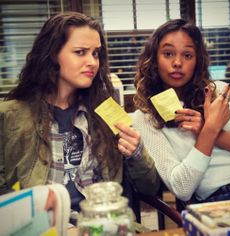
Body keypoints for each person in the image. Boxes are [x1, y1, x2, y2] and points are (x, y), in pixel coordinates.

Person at [0, 12, 160, 219]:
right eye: (80, 52)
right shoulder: (11, 116)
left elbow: (150, 187)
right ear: (52, 54)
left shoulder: (106, 113)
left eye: (95, 53)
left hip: (103, 226)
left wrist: (137, 153)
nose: (92, 62)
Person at [133, 18, 230, 204]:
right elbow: (182, 189)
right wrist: (209, 132)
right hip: (218, 201)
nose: (178, 62)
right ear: (154, 59)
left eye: (187, 55)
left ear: (197, 61)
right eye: (168, 53)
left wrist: (209, 129)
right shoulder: (145, 117)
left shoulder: (220, 92)